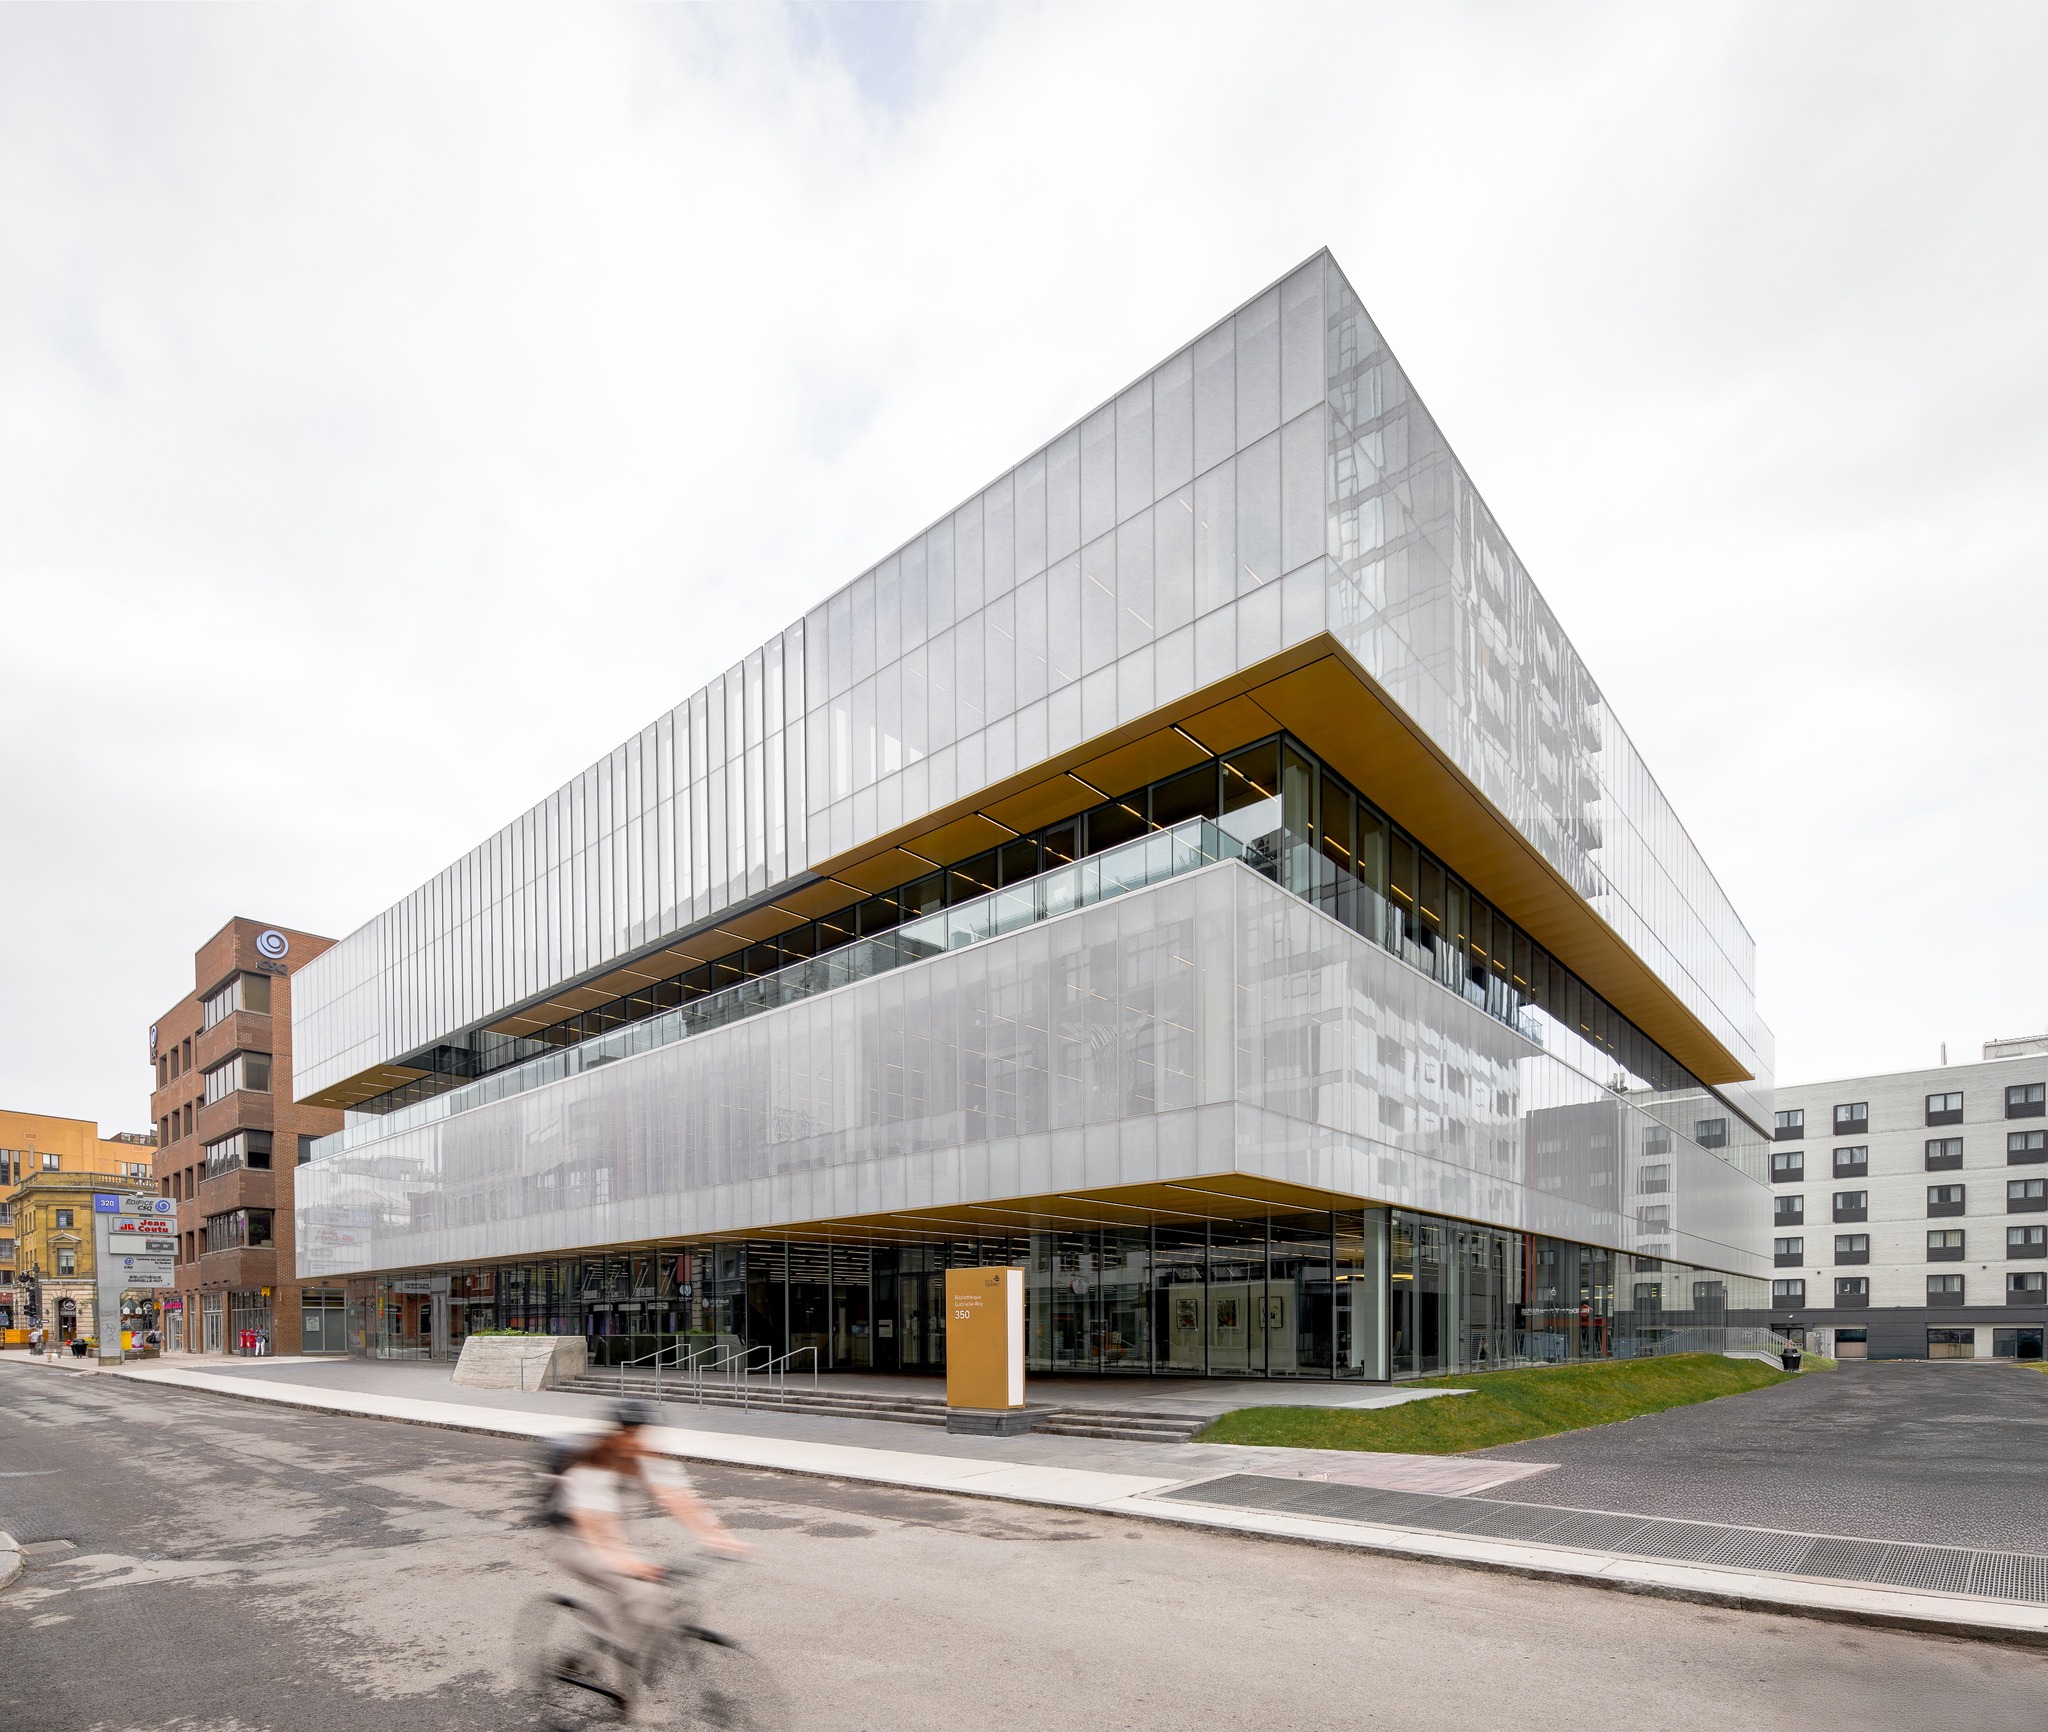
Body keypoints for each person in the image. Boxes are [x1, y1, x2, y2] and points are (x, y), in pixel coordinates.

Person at [545, 1401, 747, 1672]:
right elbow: (593, 1522)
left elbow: (679, 1498)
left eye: (642, 1432)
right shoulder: (594, 1463)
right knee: (640, 1595)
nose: (637, 1440)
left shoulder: (647, 1457)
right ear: (617, 1434)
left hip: (619, 1543)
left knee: (638, 1602)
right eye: (630, 1433)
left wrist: (717, 1535)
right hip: (578, 1543)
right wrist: (626, 1562)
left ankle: (607, 1652)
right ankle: (614, 1670)